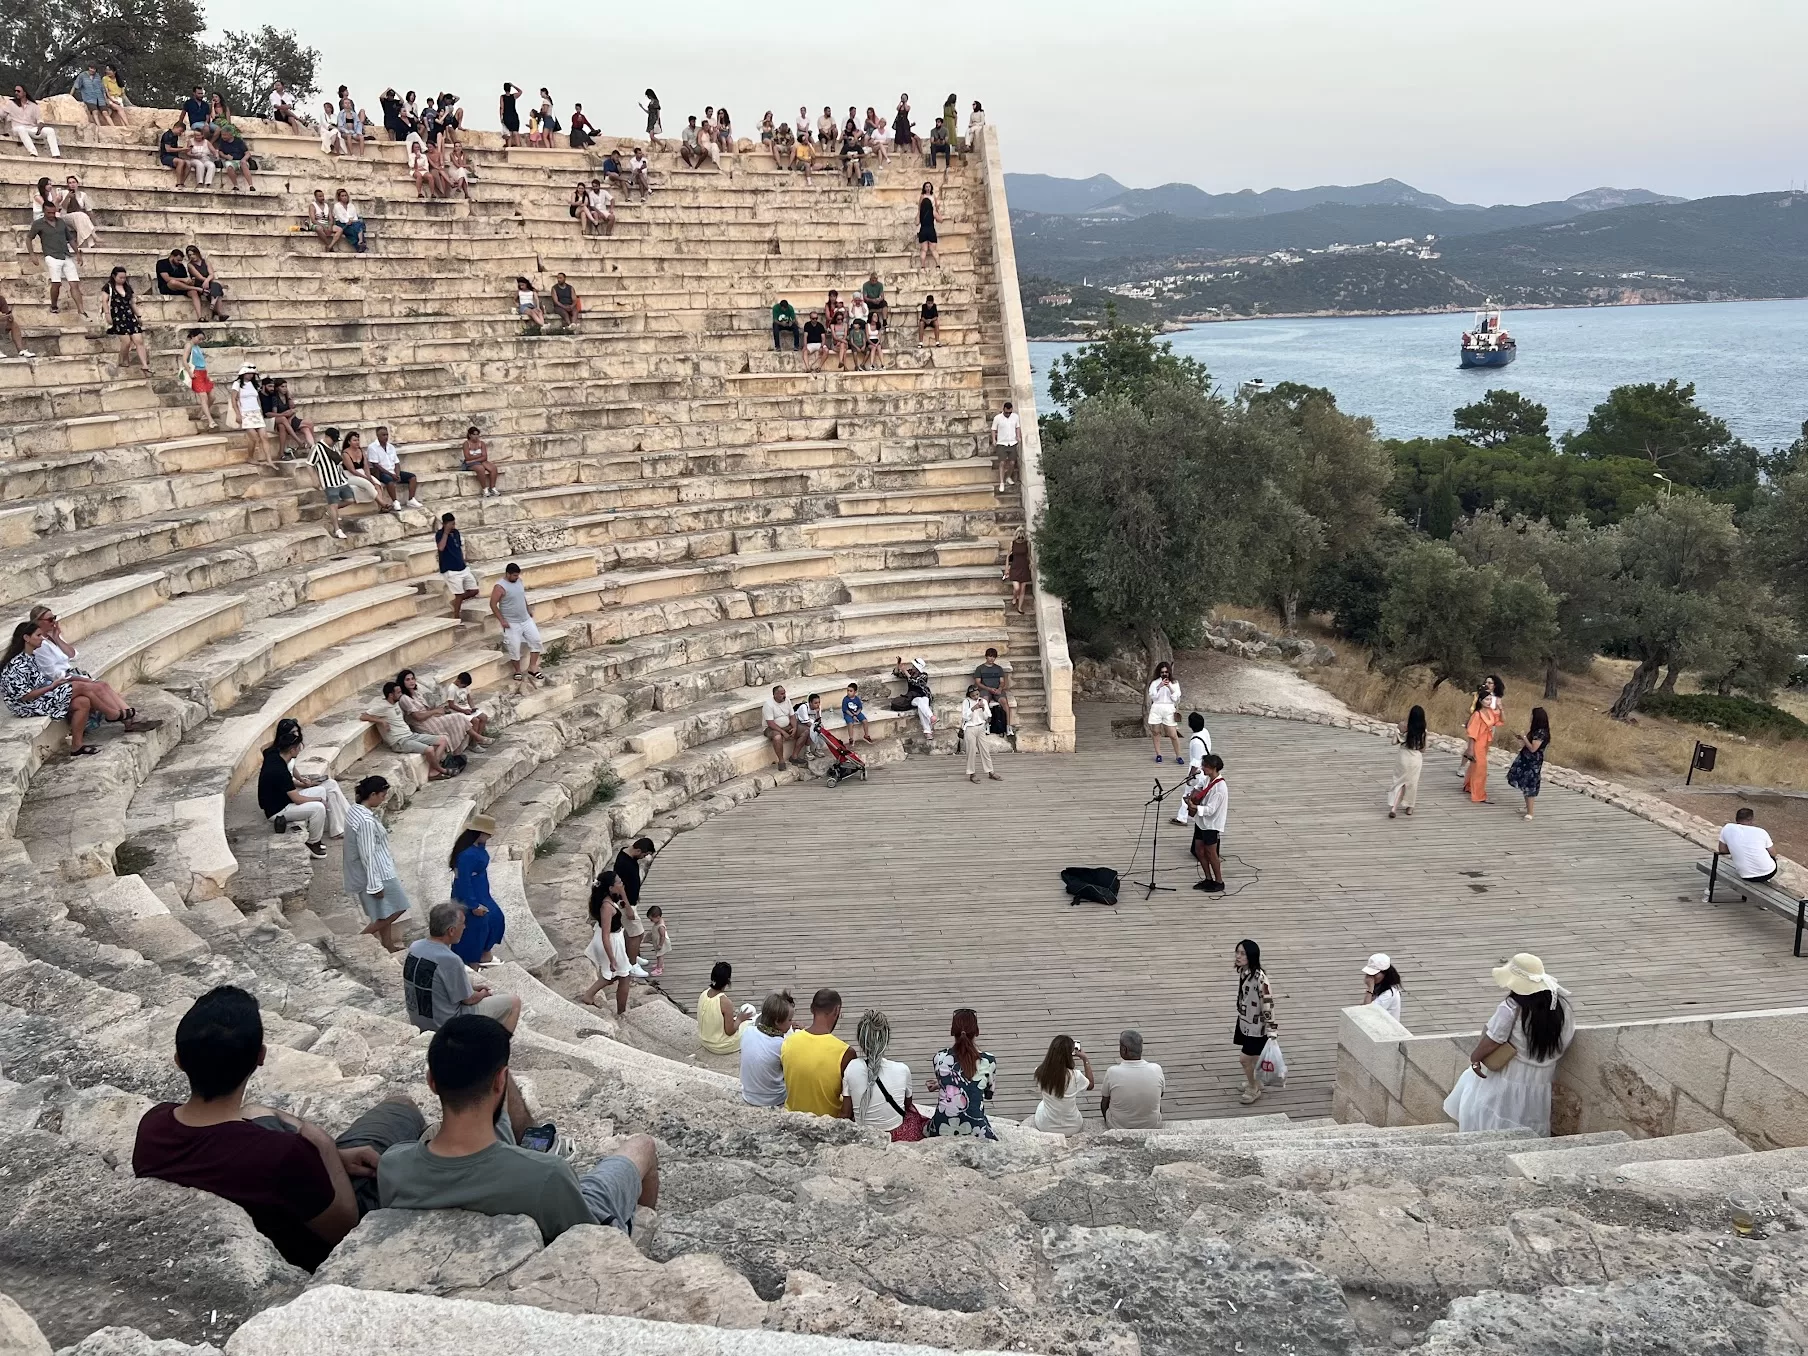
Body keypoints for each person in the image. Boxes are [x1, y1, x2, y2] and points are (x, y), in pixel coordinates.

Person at [133, 986, 425, 1271]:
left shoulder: (153, 1124)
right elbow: (346, 1229)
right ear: (261, 1057)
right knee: (402, 1106)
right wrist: (324, 1146)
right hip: (310, 1251)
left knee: (256, 1111)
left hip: (264, 1208)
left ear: (179, 1061)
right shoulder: (283, 1154)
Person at [378, 1015, 659, 1240]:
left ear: (431, 1081)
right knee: (643, 1146)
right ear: (501, 1081)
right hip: (554, 1202)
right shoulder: (547, 1174)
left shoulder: (392, 1165)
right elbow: (586, 1240)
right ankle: (647, 1233)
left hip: (487, 1176)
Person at [1442, 953, 1575, 1135]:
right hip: (1540, 1079)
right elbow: (1565, 1041)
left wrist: (1475, 1058)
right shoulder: (1560, 1007)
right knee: (1528, 1119)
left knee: (1492, 1113)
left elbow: (1493, 1040)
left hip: (1508, 1074)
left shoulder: (1512, 1007)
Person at [2, 621, 141, 752]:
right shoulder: (17, 664)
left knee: (83, 702)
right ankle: (112, 714)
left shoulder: (29, 657)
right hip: (26, 706)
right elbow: (25, 696)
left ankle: (77, 746)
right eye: (38, 636)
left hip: (40, 697)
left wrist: (53, 686)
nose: (42, 639)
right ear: (26, 638)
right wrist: (52, 687)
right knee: (81, 687)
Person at [403, 902, 521, 1032]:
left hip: (419, 1018)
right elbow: (469, 1000)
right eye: (463, 923)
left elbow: (434, 982)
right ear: (451, 931)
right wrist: (483, 994)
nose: (464, 927)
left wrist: (471, 987)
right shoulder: (450, 960)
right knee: (514, 1003)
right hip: (445, 1023)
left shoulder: (415, 947)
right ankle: (498, 1047)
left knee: (469, 981)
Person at [257, 718, 348, 859]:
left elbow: (266, 749)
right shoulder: (280, 770)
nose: (300, 749)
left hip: (284, 800)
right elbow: (297, 799)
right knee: (318, 807)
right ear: (292, 749)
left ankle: (337, 827)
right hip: (278, 810)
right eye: (298, 746)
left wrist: (311, 788)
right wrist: (318, 799)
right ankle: (313, 843)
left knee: (323, 790)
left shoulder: (274, 755)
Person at [343, 776, 410, 952]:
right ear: (372, 794)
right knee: (398, 908)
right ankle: (357, 942)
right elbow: (367, 854)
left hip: (376, 870)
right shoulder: (365, 821)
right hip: (379, 873)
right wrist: (375, 885)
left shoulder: (355, 811)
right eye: (382, 794)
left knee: (384, 911)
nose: (384, 798)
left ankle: (387, 944)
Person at [925, 1008, 997, 1139]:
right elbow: (988, 1094)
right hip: (976, 1127)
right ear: (977, 1032)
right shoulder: (988, 1061)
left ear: (953, 1032)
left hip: (942, 1126)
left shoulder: (939, 1058)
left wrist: (939, 1085)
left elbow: (949, 1080)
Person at [842, 1009, 917, 1135]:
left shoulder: (851, 1068)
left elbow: (846, 1112)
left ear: (861, 1040)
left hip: (865, 1135)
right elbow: (907, 1105)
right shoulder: (903, 1069)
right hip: (895, 1133)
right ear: (886, 1040)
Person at [360, 680, 452, 779]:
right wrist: (381, 721)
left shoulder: (396, 703)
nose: (401, 694)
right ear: (391, 695)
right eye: (398, 693)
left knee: (442, 740)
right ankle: (441, 770)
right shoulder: (382, 706)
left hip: (410, 735)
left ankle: (433, 771)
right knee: (429, 750)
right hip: (400, 741)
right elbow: (363, 716)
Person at [782, 989, 853, 1116]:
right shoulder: (845, 1052)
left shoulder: (788, 1042)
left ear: (811, 1009)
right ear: (837, 1010)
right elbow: (849, 1106)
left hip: (794, 1118)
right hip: (828, 1124)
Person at [580, 869, 634, 1013]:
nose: (622, 884)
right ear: (610, 887)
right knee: (623, 975)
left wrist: (623, 894)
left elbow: (630, 915)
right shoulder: (607, 907)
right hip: (610, 941)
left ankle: (589, 995)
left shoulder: (611, 900)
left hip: (613, 938)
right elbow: (605, 934)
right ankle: (621, 1012)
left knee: (613, 976)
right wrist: (612, 959)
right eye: (619, 882)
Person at [399, 667, 491, 748]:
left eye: (412, 679)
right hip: (423, 724)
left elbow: (426, 710)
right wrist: (434, 711)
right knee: (459, 717)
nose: (411, 681)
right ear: (402, 682)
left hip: (430, 718)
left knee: (458, 719)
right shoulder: (404, 698)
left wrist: (439, 711)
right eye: (407, 680)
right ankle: (478, 738)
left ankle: (463, 749)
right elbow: (418, 717)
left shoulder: (416, 693)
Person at [1232, 939, 1277, 1105]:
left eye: (1243, 953)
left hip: (1257, 1026)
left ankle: (1253, 1088)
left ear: (1251, 956)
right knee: (1255, 1056)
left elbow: (1268, 1003)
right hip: (1245, 1021)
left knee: (1244, 1059)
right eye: (1237, 952)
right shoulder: (1244, 972)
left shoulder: (1260, 979)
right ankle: (1256, 1081)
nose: (1238, 956)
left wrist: (1272, 1028)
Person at [490, 563, 546, 686]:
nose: (516, 577)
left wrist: (527, 609)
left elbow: (521, 596)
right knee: (514, 647)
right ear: (508, 574)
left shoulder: (519, 581)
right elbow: (493, 604)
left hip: (525, 619)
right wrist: (502, 620)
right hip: (511, 623)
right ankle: (517, 671)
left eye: (517, 575)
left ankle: (533, 667)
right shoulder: (500, 587)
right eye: (514, 575)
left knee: (536, 641)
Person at [1028, 1034, 1093, 1135]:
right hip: (1073, 1127)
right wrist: (1085, 1060)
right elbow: (1090, 1085)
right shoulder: (1075, 1075)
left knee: (1042, 1104)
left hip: (1046, 1126)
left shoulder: (1039, 1072)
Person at [1099, 1031, 1165, 1131]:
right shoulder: (1156, 1069)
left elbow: (1105, 1102)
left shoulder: (1112, 1071)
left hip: (1118, 1126)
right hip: (1151, 1125)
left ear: (1124, 1049)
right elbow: (1161, 1094)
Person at [28, 203, 82, 317]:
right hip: (51, 256)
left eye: (53, 212)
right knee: (56, 283)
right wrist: (32, 254)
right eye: (49, 213)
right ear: (44, 211)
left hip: (65, 254)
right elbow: (29, 238)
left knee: (74, 283)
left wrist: (77, 253)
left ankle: (81, 310)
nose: (52, 215)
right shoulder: (38, 224)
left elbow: (70, 239)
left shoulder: (61, 222)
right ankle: (54, 305)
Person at [1188, 753, 1228, 892]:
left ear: (1213, 768)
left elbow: (1210, 810)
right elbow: (1199, 786)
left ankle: (1219, 881)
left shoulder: (1220, 788)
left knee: (1212, 853)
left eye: (1205, 766)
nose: (1203, 768)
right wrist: (1193, 795)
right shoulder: (1207, 779)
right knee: (1199, 850)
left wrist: (1194, 807)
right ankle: (1208, 878)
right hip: (1201, 822)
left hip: (1211, 824)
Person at [1461, 675, 1504, 804]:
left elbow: (1501, 720)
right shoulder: (1477, 715)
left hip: (1486, 742)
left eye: (1490, 699)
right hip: (1478, 743)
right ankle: (1479, 795)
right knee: (1481, 768)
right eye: (1486, 699)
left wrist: (1501, 709)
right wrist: (1470, 749)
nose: (1489, 701)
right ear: (1480, 701)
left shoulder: (1491, 712)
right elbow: (1472, 734)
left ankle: (1468, 785)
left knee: (1476, 766)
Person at [307, 425, 354, 540]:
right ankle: (337, 529)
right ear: (327, 437)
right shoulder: (317, 448)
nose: (334, 442)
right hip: (329, 482)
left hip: (340, 479)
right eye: (333, 439)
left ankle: (331, 511)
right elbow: (309, 464)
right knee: (333, 503)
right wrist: (314, 480)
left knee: (350, 500)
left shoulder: (334, 446)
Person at [1506, 707, 1550, 820]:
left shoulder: (1540, 733)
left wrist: (1524, 737)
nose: (1530, 717)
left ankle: (1530, 812)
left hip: (1533, 762)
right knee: (1524, 783)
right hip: (1526, 759)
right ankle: (1527, 807)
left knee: (1530, 784)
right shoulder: (1536, 730)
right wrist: (1522, 739)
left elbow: (1533, 748)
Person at [102, 266, 149, 373]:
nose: (123, 279)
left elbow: (132, 303)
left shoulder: (127, 288)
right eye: (120, 277)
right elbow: (104, 301)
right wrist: (107, 314)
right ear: (114, 276)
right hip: (117, 316)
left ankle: (144, 364)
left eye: (124, 277)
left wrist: (139, 316)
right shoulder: (108, 287)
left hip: (129, 316)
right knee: (126, 341)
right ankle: (124, 358)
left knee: (139, 340)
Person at [1716, 806, 1778, 885]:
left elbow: (1722, 850)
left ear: (1736, 819)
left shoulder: (1727, 828)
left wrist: (1736, 848)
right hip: (1767, 873)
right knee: (1770, 856)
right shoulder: (1761, 832)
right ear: (1751, 820)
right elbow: (1773, 853)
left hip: (1745, 874)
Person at [696, 959, 746, 1055]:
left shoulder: (704, 993)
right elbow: (730, 1031)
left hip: (704, 1040)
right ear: (727, 981)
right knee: (749, 1025)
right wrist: (740, 1019)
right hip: (719, 1045)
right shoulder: (725, 1002)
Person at [366, 426, 423, 509]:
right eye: (383, 435)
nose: (385, 437)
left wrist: (398, 474)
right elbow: (376, 465)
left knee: (412, 477)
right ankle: (395, 501)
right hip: (381, 472)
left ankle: (411, 499)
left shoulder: (391, 447)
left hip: (392, 471)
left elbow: (396, 463)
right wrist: (391, 474)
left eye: (386, 435)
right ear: (378, 436)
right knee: (389, 480)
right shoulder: (372, 447)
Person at [435, 513, 479, 618]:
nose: (453, 526)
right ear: (445, 524)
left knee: (474, 590)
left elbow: (458, 547)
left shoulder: (456, 533)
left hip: (462, 567)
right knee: (459, 594)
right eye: (451, 524)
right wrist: (445, 533)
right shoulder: (440, 534)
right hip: (450, 570)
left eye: (454, 524)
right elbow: (441, 548)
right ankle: (456, 617)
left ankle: (455, 602)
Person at [339, 430, 395, 513]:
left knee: (377, 483)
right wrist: (366, 478)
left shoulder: (361, 451)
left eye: (358, 440)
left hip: (362, 473)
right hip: (349, 476)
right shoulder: (345, 453)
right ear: (349, 442)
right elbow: (352, 470)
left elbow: (366, 467)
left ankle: (380, 507)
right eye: (354, 440)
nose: (357, 442)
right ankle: (383, 504)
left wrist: (369, 476)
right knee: (367, 484)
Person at [1389, 705, 1427, 819]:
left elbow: (1394, 742)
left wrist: (1398, 732)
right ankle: (1410, 806)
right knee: (1411, 783)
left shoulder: (1403, 726)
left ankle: (1394, 807)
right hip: (1415, 758)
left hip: (1403, 756)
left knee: (1399, 781)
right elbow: (1423, 749)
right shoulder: (1423, 731)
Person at [228, 364, 270, 462]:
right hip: (245, 413)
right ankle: (250, 457)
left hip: (256, 413)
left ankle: (269, 460)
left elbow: (257, 399)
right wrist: (238, 414)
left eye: (252, 373)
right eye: (249, 373)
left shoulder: (254, 384)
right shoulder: (237, 383)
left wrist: (261, 411)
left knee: (264, 436)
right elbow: (233, 399)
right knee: (254, 438)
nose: (251, 375)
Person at [961, 684, 1002, 783]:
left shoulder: (983, 701)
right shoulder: (966, 702)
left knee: (985, 750)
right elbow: (965, 717)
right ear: (969, 695)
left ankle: (990, 771)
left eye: (977, 694)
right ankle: (972, 773)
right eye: (973, 695)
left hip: (980, 727)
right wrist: (973, 709)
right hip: (970, 728)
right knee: (971, 752)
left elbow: (987, 716)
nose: (975, 697)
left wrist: (983, 709)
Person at [4, 86, 61, 158]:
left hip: (31, 128)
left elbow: (40, 120)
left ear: (24, 93)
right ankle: (33, 153)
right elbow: (2, 113)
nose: (16, 93)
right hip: (17, 128)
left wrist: (39, 128)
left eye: (18, 91)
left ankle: (56, 154)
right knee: (21, 129)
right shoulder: (11, 103)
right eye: (15, 91)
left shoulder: (34, 106)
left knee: (50, 130)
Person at [762, 683, 806, 769]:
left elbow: (792, 716)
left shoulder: (787, 701)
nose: (784, 695)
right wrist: (783, 733)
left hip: (787, 726)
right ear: (775, 695)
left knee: (806, 731)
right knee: (777, 737)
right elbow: (770, 723)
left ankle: (794, 756)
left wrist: (794, 727)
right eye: (782, 694)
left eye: (784, 693)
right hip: (771, 728)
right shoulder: (768, 704)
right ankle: (781, 761)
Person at [1145, 661, 1182, 762]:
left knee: (1173, 734)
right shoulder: (1154, 682)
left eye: (1166, 672)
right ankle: (1158, 754)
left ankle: (1178, 755)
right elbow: (1153, 696)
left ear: (1169, 672)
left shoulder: (1174, 683)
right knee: (1156, 732)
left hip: (1169, 708)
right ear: (1159, 673)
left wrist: (1169, 687)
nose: (1164, 674)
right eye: (1162, 672)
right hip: (1157, 707)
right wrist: (1159, 686)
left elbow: (1176, 698)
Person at [890, 657, 935, 736]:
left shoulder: (924, 675)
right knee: (920, 702)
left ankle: (928, 732)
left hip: (924, 695)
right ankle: (931, 717)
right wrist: (898, 665)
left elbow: (915, 682)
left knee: (921, 706)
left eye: (914, 666)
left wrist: (905, 672)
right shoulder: (910, 672)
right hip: (913, 697)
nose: (912, 667)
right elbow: (896, 673)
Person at [183, 245, 230, 321]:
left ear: (197, 253)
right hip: (198, 284)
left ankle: (215, 304)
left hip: (208, 282)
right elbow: (199, 277)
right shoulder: (190, 265)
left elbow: (211, 274)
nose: (192, 256)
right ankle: (218, 312)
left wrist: (207, 281)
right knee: (217, 285)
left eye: (193, 254)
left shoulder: (206, 262)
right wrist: (208, 281)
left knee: (216, 286)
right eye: (190, 255)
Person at [1361, 953, 1405, 1025]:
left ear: (1384, 974)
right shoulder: (1380, 986)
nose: (1371, 977)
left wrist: (1370, 989)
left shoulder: (1389, 994)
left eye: (1374, 974)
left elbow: (1367, 1012)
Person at [989, 400, 1022, 493]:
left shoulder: (1015, 417)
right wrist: (994, 440)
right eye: (1007, 412)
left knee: (1012, 463)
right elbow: (993, 429)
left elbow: (1017, 427)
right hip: (1002, 443)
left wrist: (1018, 436)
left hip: (1012, 442)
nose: (1008, 414)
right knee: (1002, 463)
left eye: (1010, 412)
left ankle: (1008, 476)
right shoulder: (997, 418)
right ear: (1003, 409)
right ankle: (1001, 482)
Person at [460, 426, 502, 496]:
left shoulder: (481, 443)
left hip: (478, 461)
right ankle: (484, 489)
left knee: (493, 467)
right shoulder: (466, 444)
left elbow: (485, 457)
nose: (476, 436)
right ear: (470, 435)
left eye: (477, 434)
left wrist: (473, 458)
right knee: (480, 468)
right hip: (470, 463)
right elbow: (467, 457)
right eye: (474, 434)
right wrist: (480, 455)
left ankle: (492, 488)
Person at [216, 123, 254, 191]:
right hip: (230, 161)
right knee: (229, 167)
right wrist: (225, 156)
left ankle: (251, 186)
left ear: (230, 135)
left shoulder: (238, 141)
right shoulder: (222, 141)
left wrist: (244, 159)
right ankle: (236, 186)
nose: (223, 136)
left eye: (225, 135)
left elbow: (247, 153)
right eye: (222, 135)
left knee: (243, 164)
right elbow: (220, 152)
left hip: (240, 160)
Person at [1004, 528, 1032, 614]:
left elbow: (1029, 555)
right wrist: (1006, 568)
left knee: (1023, 589)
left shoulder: (1027, 544)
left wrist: (1031, 563)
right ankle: (1015, 597)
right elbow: (1008, 556)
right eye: (1018, 536)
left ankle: (1020, 608)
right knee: (1017, 587)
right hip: (1015, 567)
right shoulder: (1012, 544)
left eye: (1021, 536)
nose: (1020, 538)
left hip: (1024, 567)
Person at [916, 182, 942, 268]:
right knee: (933, 249)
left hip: (923, 230)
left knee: (924, 250)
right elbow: (940, 220)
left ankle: (923, 267)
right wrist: (938, 213)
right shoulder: (932, 212)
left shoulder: (921, 213)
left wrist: (919, 213)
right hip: (931, 229)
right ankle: (938, 266)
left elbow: (916, 222)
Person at [158, 119, 190, 186]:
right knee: (181, 162)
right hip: (165, 157)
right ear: (175, 127)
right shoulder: (167, 135)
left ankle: (182, 182)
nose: (180, 133)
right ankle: (178, 183)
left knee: (188, 163)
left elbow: (174, 147)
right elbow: (168, 149)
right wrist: (182, 149)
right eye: (180, 131)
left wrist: (183, 148)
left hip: (173, 156)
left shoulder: (175, 136)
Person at [644, 904, 670, 978]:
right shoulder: (658, 921)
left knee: (659, 955)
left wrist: (660, 945)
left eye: (652, 919)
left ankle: (659, 968)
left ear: (658, 917)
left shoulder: (660, 927)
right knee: (659, 955)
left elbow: (662, 936)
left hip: (661, 942)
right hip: (657, 940)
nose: (651, 921)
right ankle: (660, 964)